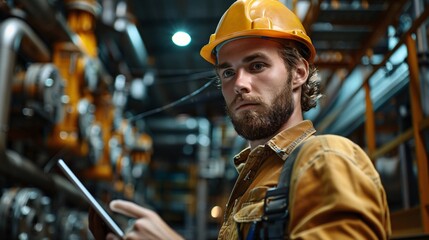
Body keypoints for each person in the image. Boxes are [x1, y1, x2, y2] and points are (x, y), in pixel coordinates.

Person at [89, 0, 392, 239]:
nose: (239, 84)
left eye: (257, 65)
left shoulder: (325, 159)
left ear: (298, 73)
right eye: (228, 72)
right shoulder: (253, 178)